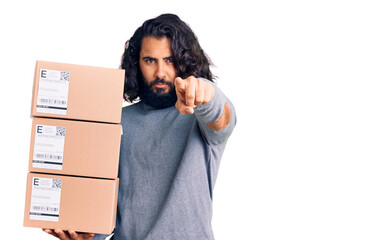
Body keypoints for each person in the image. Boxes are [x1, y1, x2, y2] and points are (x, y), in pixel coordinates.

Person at [43, 13, 236, 240]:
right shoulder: (116, 120)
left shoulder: (199, 118)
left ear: (185, 61)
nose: (160, 72)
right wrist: (85, 235)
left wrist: (204, 91)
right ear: (137, 64)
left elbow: (223, 120)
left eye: (170, 60)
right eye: (150, 60)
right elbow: (104, 204)